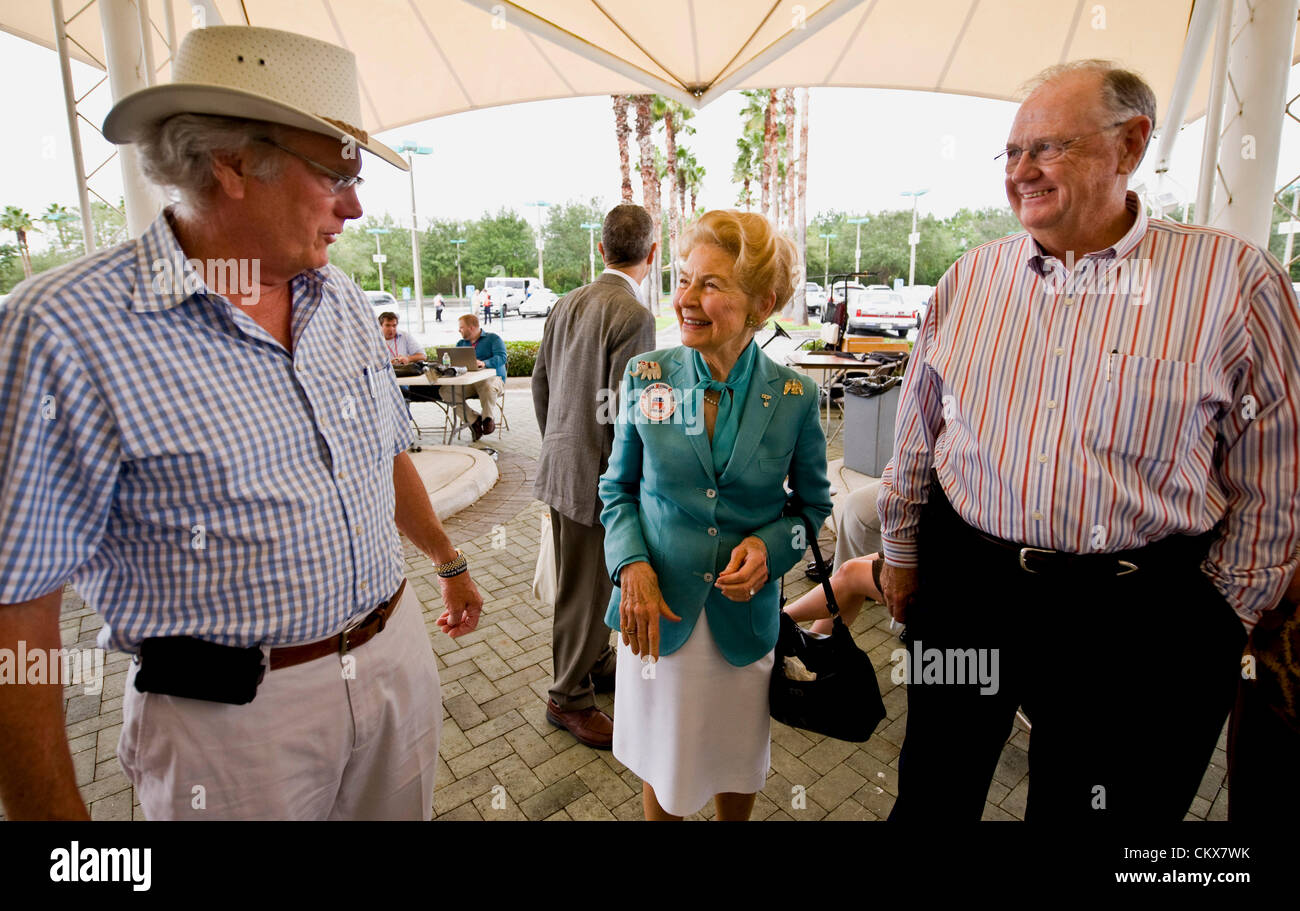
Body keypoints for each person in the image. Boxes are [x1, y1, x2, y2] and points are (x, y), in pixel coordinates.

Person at [0, 26, 484, 821]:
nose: (356, 206)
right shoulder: (64, 328)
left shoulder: (343, 299)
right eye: (336, 171)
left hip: (394, 656)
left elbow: (383, 449)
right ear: (228, 162)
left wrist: (449, 558)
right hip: (229, 725)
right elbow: (16, 604)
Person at [877, 59, 1300, 821]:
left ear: (1130, 145)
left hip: (1136, 613)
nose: (1022, 172)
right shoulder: (971, 278)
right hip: (970, 585)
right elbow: (918, 431)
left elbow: (1279, 474)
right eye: (1011, 153)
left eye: (1048, 147)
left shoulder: (1234, 282)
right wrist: (905, 554)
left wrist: (1222, 618)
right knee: (933, 791)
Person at [600, 209, 833, 820]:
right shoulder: (646, 374)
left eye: (711, 284)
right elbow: (617, 490)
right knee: (662, 759)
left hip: (741, 622)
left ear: (763, 302)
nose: (686, 300)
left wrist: (769, 548)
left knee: (734, 757)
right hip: (657, 611)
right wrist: (632, 569)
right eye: (683, 280)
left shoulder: (794, 397)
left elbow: (812, 509)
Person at [533, 204, 657, 748]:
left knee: (579, 586)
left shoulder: (565, 304)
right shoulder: (634, 316)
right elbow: (627, 414)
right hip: (599, 479)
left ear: (601, 250)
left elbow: (539, 386)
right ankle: (568, 698)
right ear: (652, 256)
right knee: (585, 593)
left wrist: (559, 444)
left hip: (562, 468)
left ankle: (595, 662)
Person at [454, 313, 506, 440]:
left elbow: (502, 357)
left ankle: (487, 418)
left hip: (493, 380)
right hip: (470, 382)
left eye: (461, 327)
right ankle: (474, 420)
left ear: (471, 327)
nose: (459, 330)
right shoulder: (461, 344)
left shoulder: (493, 339)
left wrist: (484, 363)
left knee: (487, 385)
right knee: (446, 391)